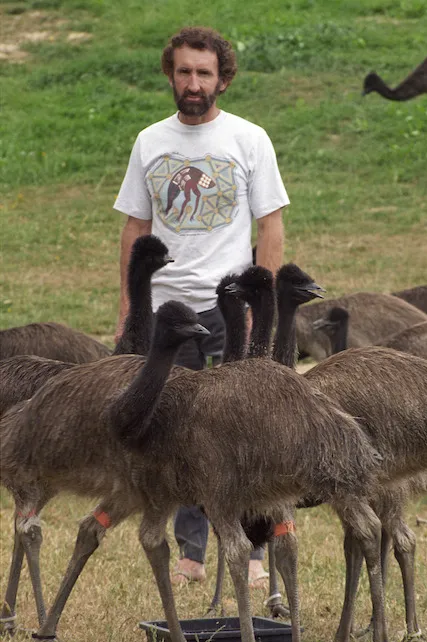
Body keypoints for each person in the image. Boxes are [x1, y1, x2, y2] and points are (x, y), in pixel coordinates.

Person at [114, 26, 289, 587]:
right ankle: (191, 550)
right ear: (171, 73)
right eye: (184, 71)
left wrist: (266, 305)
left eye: (204, 73)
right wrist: (128, 305)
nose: (193, 83)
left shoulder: (249, 139)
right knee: (176, 431)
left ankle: (252, 548)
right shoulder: (149, 141)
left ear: (223, 79)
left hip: (230, 305)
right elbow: (137, 228)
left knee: (244, 429)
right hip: (168, 312)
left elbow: (271, 226)